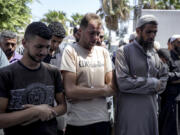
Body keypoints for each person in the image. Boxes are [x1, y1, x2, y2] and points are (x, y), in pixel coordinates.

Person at [0, 22, 66, 135]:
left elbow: (63, 106)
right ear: (24, 43)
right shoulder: (6, 74)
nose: (44, 52)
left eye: (47, 47)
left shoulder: (53, 72)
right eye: (39, 46)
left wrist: (49, 112)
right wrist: (34, 112)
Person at [60, 13, 116, 135]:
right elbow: (70, 91)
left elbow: (112, 87)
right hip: (78, 122)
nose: (95, 38)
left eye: (98, 34)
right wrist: (103, 90)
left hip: (102, 120)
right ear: (80, 31)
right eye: (91, 33)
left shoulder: (103, 53)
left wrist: (83, 90)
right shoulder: (70, 51)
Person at [114, 14, 168, 135]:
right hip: (130, 114)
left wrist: (137, 81)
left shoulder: (154, 54)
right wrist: (152, 82)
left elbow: (163, 81)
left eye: (155, 32)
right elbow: (123, 83)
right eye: (149, 32)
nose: (152, 36)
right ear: (138, 31)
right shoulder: (123, 51)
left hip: (151, 112)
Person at [158, 35, 180, 135]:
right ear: (171, 44)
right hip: (170, 101)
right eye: (178, 42)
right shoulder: (167, 57)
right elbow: (164, 75)